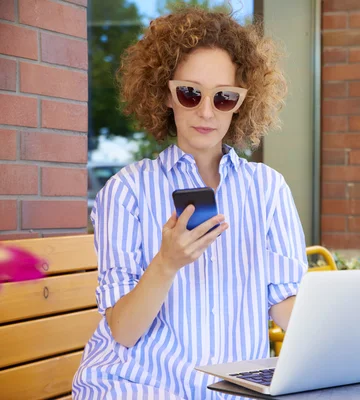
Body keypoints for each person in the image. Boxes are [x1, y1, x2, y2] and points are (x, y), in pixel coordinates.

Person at [73, 6, 307, 399]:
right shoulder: (126, 191)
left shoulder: (268, 189)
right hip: (135, 385)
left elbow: (286, 304)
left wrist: (352, 340)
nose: (205, 110)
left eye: (224, 97)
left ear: (241, 103)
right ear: (166, 93)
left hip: (227, 391)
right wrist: (166, 263)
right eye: (189, 92)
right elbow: (124, 331)